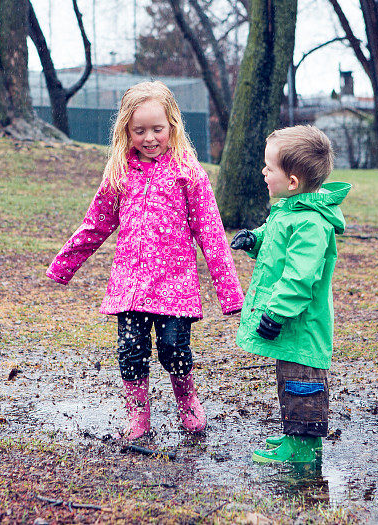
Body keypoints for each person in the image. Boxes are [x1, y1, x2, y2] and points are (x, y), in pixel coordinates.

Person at [47, 81, 244, 439]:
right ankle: (137, 414)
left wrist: (229, 293)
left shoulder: (189, 174)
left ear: (173, 126)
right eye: (139, 131)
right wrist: (65, 265)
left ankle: (187, 400)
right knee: (131, 351)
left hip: (175, 288)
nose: (150, 138)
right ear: (126, 130)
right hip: (130, 288)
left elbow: (212, 236)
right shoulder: (120, 174)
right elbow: (95, 224)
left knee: (173, 348)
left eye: (157, 129)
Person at [231, 125, 350, 463]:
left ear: (293, 182)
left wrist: (276, 313)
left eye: (270, 167)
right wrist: (255, 239)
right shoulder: (291, 210)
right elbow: (275, 236)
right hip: (292, 326)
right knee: (289, 377)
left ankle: (304, 446)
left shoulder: (311, 224)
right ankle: (294, 435)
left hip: (301, 325)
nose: (264, 172)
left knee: (303, 383)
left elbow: (300, 278)